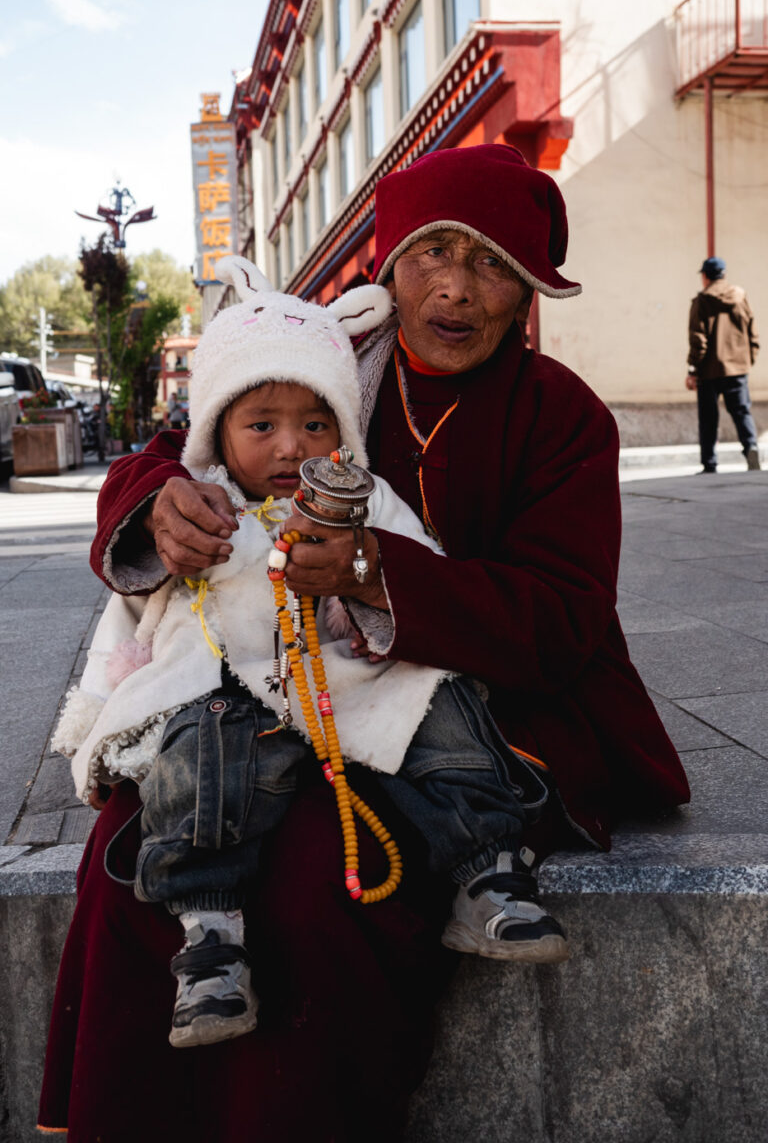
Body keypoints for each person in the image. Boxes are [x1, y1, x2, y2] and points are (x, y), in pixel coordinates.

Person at [39, 144, 689, 1143]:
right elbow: (184, 448)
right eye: (432, 252)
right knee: (137, 842)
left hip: (485, 709)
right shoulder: (334, 366)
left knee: (314, 881)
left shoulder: (562, 418)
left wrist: (376, 576)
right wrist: (155, 507)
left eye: (493, 265)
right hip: (286, 690)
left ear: (528, 294)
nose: (456, 289)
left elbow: (562, 619)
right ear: (388, 265)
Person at [51, 257, 557, 1052]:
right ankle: (209, 934)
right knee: (200, 762)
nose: (291, 446)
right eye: (262, 425)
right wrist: (104, 706)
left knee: (441, 711)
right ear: (217, 428)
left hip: (348, 678)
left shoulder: (363, 490)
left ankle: (489, 868)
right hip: (230, 691)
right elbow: (131, 615)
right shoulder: (206, 500)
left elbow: (417, 564)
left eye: (315, 425)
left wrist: (377, 590)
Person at [686, 256, 761, 473]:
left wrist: (693, 369)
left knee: (708, 418)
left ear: (705, 276)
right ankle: (751, 448)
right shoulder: (740, 296)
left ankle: (709, 464)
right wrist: (748, 359)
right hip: (738, 368)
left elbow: (698, 339)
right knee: (742, 412)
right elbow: (752, 331)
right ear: (724, 275)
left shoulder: (702, 300)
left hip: (709, 370)